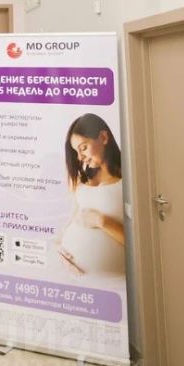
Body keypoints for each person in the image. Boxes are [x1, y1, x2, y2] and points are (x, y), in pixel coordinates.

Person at [56, 113, 125, 277]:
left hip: (114, 283)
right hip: (71, 276)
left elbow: (143, 241)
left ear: (103, 138)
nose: (80, 157)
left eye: (83, 148)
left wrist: (102, 221)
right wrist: (59, 249)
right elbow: (69, 221)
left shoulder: (129, 177)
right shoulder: (83, 180)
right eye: (76, 152)